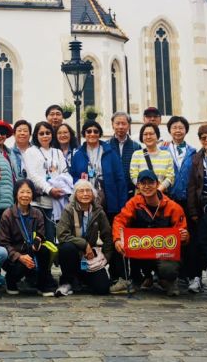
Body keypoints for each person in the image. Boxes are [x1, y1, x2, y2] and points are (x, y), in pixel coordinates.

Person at [70, 120, 128, 290]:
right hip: (86, 198)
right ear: (84, 134)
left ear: (100, 133)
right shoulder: (78, 154)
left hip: (109, 198)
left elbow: (120, 178)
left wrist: (122, 204)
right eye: (88, 131)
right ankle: (83, 272)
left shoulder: (109, 151)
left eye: (95, 131)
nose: (92, 134)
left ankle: (118, 275)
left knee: (112, 235)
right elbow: (73, 177)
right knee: (84, 234)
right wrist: (80, 180)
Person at [113, 169, 190, 296]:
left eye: (150, 183)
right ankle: (135, 278)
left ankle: (168, 280)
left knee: (168, 269)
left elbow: (183, 233)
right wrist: (117, 239)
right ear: (138, 186)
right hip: (141, 249)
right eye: (143, 183)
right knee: (117, 242)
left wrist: (185, 237)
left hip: (164, 253)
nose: (147, 186)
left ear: (157, 184)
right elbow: (119, 221)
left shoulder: (173, 207)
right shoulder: (134, 203)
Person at [55, 179, 114, 296]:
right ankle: (67, 281)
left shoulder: (98, 211)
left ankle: (82, 279)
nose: (85, 194)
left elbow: (107, 236)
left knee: (102, 289)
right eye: (81, 191)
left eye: (88, 190)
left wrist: (106, 258)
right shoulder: (68, 210)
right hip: (73, 254)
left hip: (89, 257)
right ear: (75, 194)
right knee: (66, 248)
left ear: (93, 194)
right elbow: (62, 235)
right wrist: (84, 244)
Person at [0, 179, 57, 296]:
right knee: (19, 267)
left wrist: (38, 240)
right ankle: (11, 280)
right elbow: (4, 243)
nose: (25, 195)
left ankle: (42, 284)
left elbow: (41, 234)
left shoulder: (37, 213)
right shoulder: (7, 214)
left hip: (31, 252)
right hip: (15, 256)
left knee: (44, 250)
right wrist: (19, 257)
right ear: (16, 194)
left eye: (28, 192)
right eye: (22, 192)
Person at [23, 121, 71, 240]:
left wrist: (62, 189)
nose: (45, 136)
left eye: (48, 133)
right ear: (36, 135)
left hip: (58, 200)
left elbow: (64, 173)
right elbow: (32, 175)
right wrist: (49, 189)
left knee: (55, 237)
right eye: (41, 133)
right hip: (39, 202)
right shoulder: (30, 152)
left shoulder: (58, 152)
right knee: (39, 238)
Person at [129, 123, 174, 193]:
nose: (148, 137)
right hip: (141, 195)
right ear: (141, 137)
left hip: (160, 195)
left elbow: (170, 176)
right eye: (145, 134)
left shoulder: (166, 155)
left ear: (157, 136)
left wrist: (157, 191)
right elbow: (133, 176)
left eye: (151, 134)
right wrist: (145, 189)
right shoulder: (136, 154)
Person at [109, 112, 140, 203]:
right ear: (112, 125)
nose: (120, 126)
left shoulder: (136, 147)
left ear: (129, 126)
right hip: (111, 193)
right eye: (117, 123)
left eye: (123, 123)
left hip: (131, 192)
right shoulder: (105, 146)